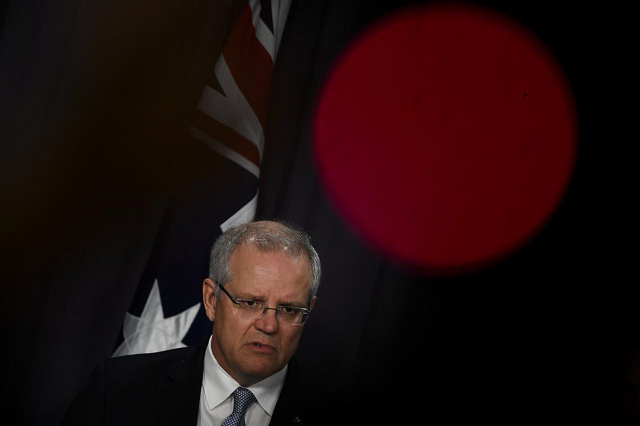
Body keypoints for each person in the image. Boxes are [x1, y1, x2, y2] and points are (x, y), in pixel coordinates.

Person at [62, 220, 322, 426]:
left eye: (288, 309)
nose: (268, 326)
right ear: (211, 300)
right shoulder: (117, 390)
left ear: (307, 311)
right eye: (250, 303)